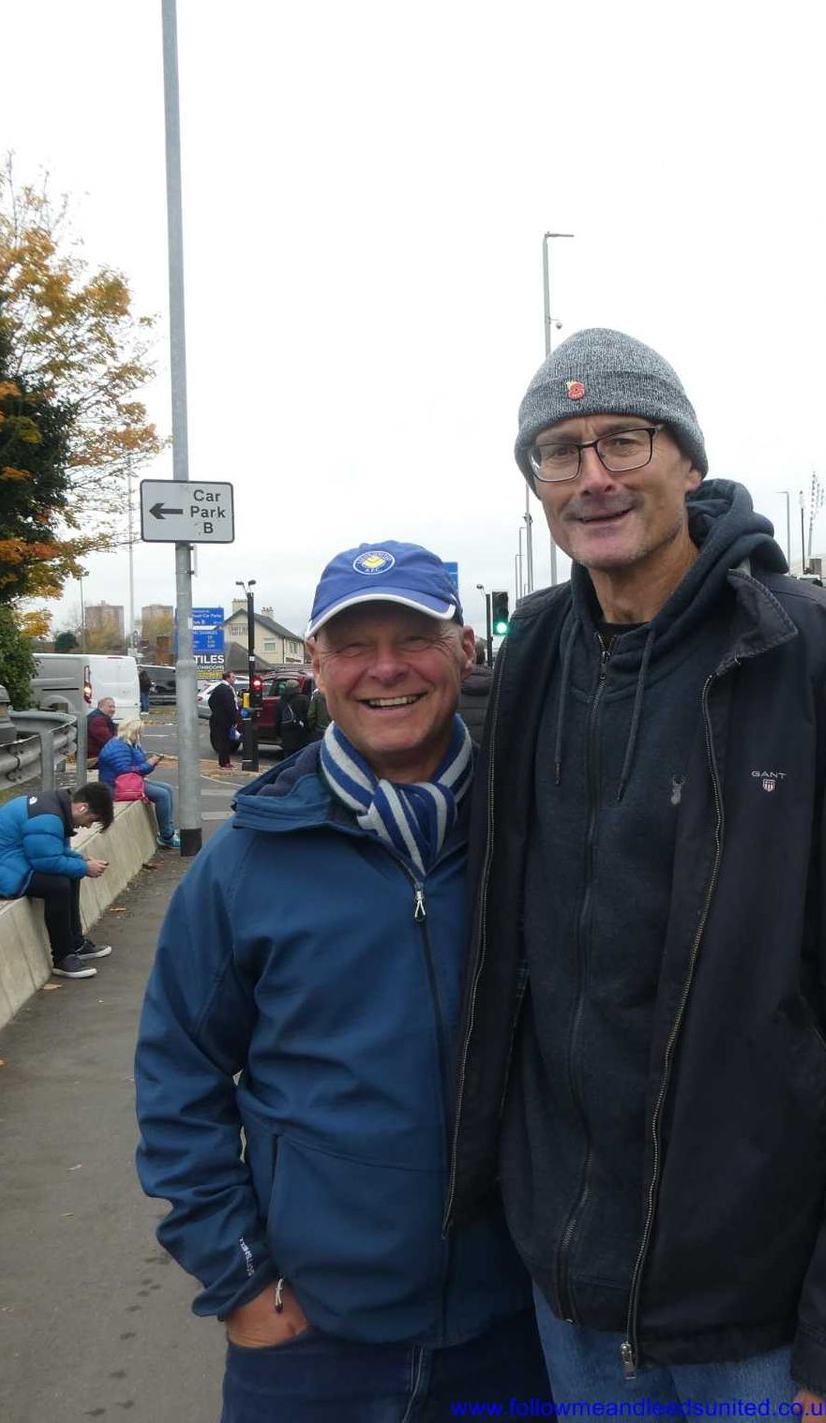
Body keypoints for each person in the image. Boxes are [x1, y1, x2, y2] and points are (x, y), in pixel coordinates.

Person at [449, 328, 826, 1419]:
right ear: (536, 487)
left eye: (623, 441)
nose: (593, 476)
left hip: (758, 1301)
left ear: (687, 459)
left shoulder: (807, 653)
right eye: (560, 452)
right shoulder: (532, 655)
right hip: (572, 1281)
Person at [137, 541, 547, 1423]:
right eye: (354, 646)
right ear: (318, 666)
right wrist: (241, 1281)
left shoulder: (541, 830)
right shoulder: (243, 864)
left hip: (523, 1327)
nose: (385, 669)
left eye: (415, 639)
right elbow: (178, 1078)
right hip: (311, 1341)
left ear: (464, 650)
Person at [0, 784, 115, 979]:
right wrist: (84, 867)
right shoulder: (48, 818)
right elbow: (46, 862)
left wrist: (81, 861)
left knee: (71, 873)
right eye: (92, 820)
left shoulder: (53, 807)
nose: (87, 826)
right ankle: (63, 957)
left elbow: (51, 850)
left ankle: (76, 944)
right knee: (58, 886)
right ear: (83, 808)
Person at [98, 716, 178, 851]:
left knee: (168, 789)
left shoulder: (129, 743)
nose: (142, 734)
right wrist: (149, 764)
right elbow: (124, 771)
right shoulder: (118, 747)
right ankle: (166, 836)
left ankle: (169, 829)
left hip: (128, 781)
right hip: (117, 786)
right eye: (140, 732)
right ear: (132, 731)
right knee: (162, 795)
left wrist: (150, 763)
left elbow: (134, 767)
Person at [208, 671, 240, 770]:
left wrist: (216, 711)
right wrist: (235, 719)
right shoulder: (226, 689)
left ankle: (226, 762)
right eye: (233, 677)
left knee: (224, 741)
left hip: (218, 718)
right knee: (224, 742)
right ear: (227, 678)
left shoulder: (219, 688)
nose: (234, 679)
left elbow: (210, 701)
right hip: (224, 720)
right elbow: (230, 706)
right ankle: (224, 763)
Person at [274, 679, 308, 756]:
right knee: (300, 756)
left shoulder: (281, 701)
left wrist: (278, 734)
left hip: (286, 733)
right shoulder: (303, 699)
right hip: (300, 732)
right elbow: (308, 716)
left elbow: (277, 719)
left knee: (288, 756)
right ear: (297, 688)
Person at [86, 695, 117, 761]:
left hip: (96, 755)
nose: (113, 709)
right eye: (110, 707)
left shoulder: (100, 717)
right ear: (101, 707)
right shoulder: (98, 721)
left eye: (114, 707)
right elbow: (108, 741)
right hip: (95, 758)